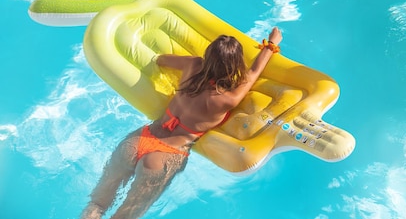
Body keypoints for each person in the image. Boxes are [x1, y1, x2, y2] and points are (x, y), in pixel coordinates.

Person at [80, 27, 283, 219]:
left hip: (138, 140)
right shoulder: (228, 98)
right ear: (235, 65)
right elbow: (254, 72)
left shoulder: (193, 65)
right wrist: (271, 44)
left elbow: (161, 59)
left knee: (96, 204)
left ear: (208, 55)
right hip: (166, 156)